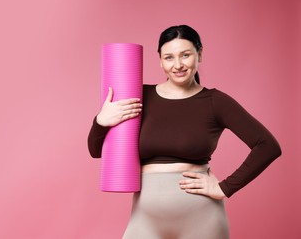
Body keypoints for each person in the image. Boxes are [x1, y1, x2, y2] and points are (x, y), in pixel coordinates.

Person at [87, 25, 281, 239]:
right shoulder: (138, 96)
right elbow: (97, 152)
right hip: (145, 219)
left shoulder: (215, 101)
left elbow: (268, 146)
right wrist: (101, 122)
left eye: (185, 55)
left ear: (199, 54)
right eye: (169, 57)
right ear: (160, 60)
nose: (177, 65)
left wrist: (225, 187)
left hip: (202, 218)